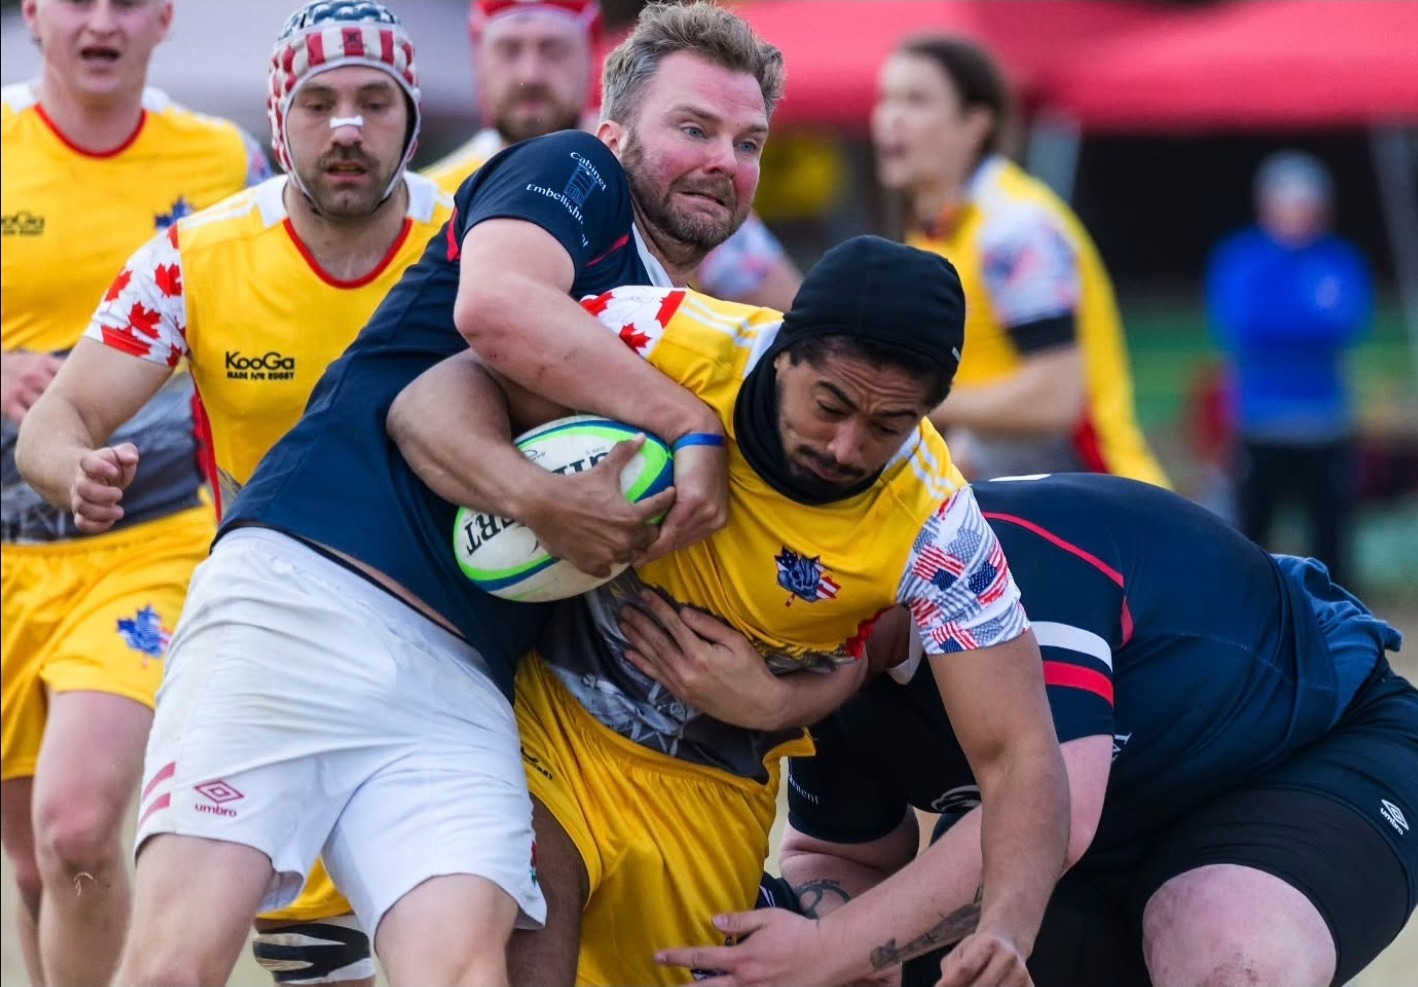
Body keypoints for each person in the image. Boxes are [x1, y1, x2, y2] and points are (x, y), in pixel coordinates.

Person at [18, 3, 788, 984]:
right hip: (302, 600)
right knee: (175, 964)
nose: (722, 159)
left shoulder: (682, 315)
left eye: (747, 142)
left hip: (461, 674)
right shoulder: (571, 171)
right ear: (614, 132)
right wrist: (688, 429)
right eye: (694, 128)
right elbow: (489, 316)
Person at [387, 235, 1069, 986]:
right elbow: (427, 400)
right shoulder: (667, 337)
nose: (847, 447)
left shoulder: (938, 524)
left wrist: (1008, 927)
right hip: (549, 725)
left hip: (713, 788)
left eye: (888, 426)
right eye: (830, 405)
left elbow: (1021, 755)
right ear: (783, 353)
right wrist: (542, 500)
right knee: (515, 935)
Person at [14, 1, 452, 983]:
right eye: (319, 103)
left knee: (473, 950)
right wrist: (72, 466)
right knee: (76, 873)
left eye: (374, 102)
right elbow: (59, 416)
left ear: (412, 117)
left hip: (449, 644)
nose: (347, 128)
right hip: (270, 641)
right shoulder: (195, 254)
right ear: (279, 121)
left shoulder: (476, 245)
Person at [649, 473, 1416, 987]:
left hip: (1305, 756)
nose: (790, 669)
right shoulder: (807, 661)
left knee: (1222, 944)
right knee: (926, 956)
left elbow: (1055, 816)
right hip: (1100, 824)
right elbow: (843, 855)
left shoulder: (996, 564)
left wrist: (825, 951)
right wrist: (829, 947)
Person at [0, 1, 268, 983]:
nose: (101, 22)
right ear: (35, 15)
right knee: (38, 866)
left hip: (149, 541)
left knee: (77, 827)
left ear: (164, 18)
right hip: (8, 557)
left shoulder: (225, 161)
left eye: (126, 0)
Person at [872, 34, 1167, 487]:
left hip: (1097, 501)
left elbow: (1056, 398)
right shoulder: (938, 228)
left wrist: (906, 400)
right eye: (886, 99)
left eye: (916, 100)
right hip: (1029, 494)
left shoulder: (1013, 227)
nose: (891, 118)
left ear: (975, 124)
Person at [422, 0, 803, 310]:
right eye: (509, 49)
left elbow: (787, 321)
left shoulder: (671, 175)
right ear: (478, 60)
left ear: (593, 57)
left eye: (553, 50)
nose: (532, 72)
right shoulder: (432, 197)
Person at [1207, 150, 1374, 588]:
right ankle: (1251, 611)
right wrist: (1307, 320)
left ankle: (1333, 614)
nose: (1298, 213)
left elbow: (1350, 321)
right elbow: (1242, 325)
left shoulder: (1338, 259)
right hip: (1261, 422)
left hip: (1325, 422)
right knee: (1252, 534)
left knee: (1331, 535)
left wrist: (1284, 320)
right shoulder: (1242, 257)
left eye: (1306, 203)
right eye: (1288, 202)